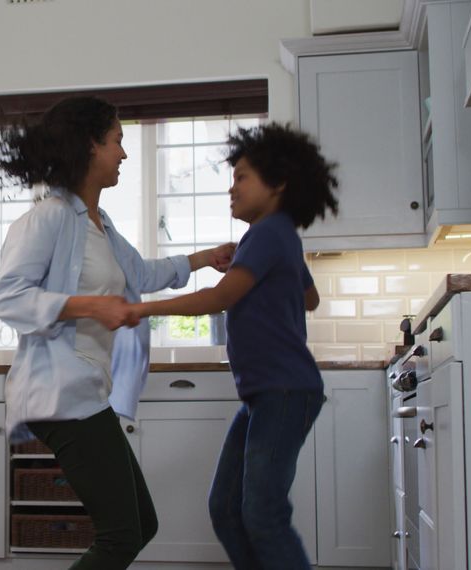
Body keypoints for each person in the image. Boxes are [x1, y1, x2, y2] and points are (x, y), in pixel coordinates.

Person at [0, 95, 234, 570]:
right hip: (59, 392)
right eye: (117, 141)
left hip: (84, 390)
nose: (123, 153)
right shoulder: (50, 217)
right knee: (122, 534)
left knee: (141, 526)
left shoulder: (99, 224)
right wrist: (89, 305)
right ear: (89, 146)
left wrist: (205, 258)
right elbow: (8, 298)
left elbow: (138, 274)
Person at [128, 123, 339, 569]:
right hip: (268, 394)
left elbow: (220, 299)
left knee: (263, 513)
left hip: (283, 391)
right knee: (226, 509)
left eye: (242, 176)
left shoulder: (267, 234)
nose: (232, 187)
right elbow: (310, 298)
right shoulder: (275, 236)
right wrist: (257, 276)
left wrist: (140, 311)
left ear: (278, 183)